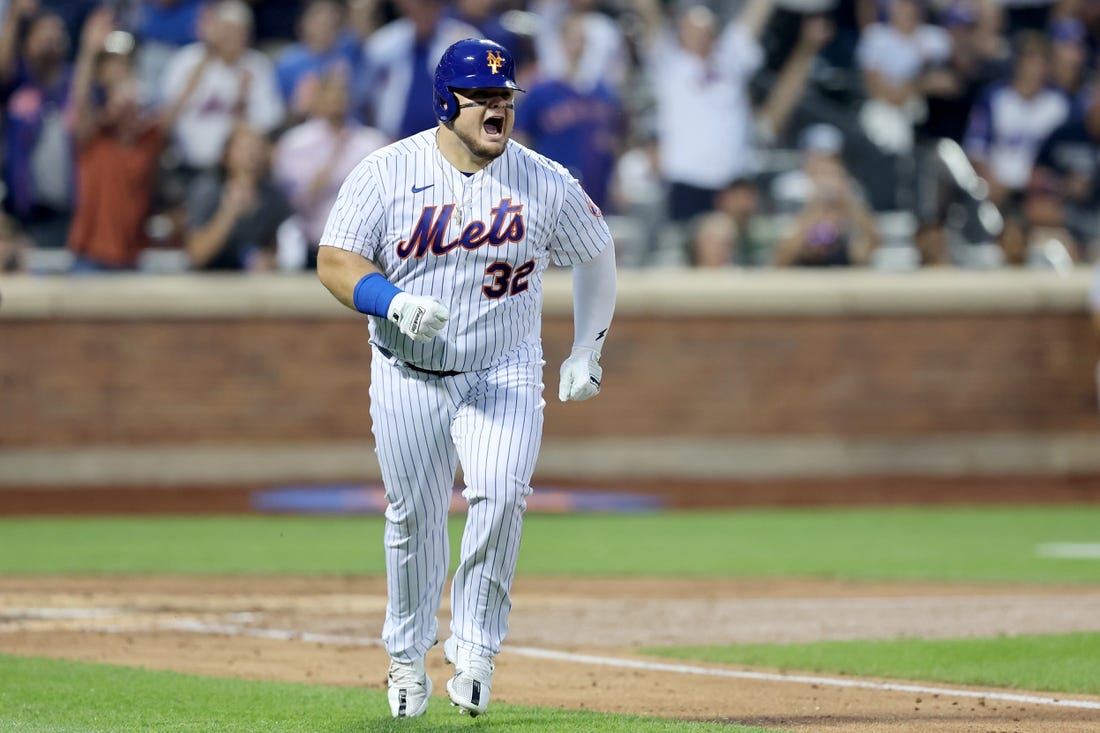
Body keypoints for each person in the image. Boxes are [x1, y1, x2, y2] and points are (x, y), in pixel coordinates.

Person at [315, 38, 616, 718]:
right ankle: (406, 655)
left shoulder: (543, 179)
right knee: (413, 516)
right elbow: (334, 259)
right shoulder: (388, 171)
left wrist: (587, 349)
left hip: (504, 367)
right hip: (407, 369)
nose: (497, 107)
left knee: (503, 494)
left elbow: (597, 254)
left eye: (505, 95)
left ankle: (476, 648)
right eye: (482, 97)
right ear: (447, 102)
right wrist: (391, 301)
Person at [272, 67, 388, 267]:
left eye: (342, 92)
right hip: (313, 246)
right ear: (318, 97)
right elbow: (300, 202)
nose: (337, 98)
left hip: (365, 248)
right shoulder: (296, 143)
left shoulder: (373, 142)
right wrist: (335, 153)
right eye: (330, 92)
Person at [185, 122, 292, 270]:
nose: (252, 155)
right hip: (209, 279)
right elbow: (197, 256)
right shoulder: (207, 191)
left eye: (257, 148)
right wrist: (228, 211)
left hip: (254, 283)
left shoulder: (273, 196)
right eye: (245, 148)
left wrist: (270, 261)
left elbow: (283, 248)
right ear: (227, 154)